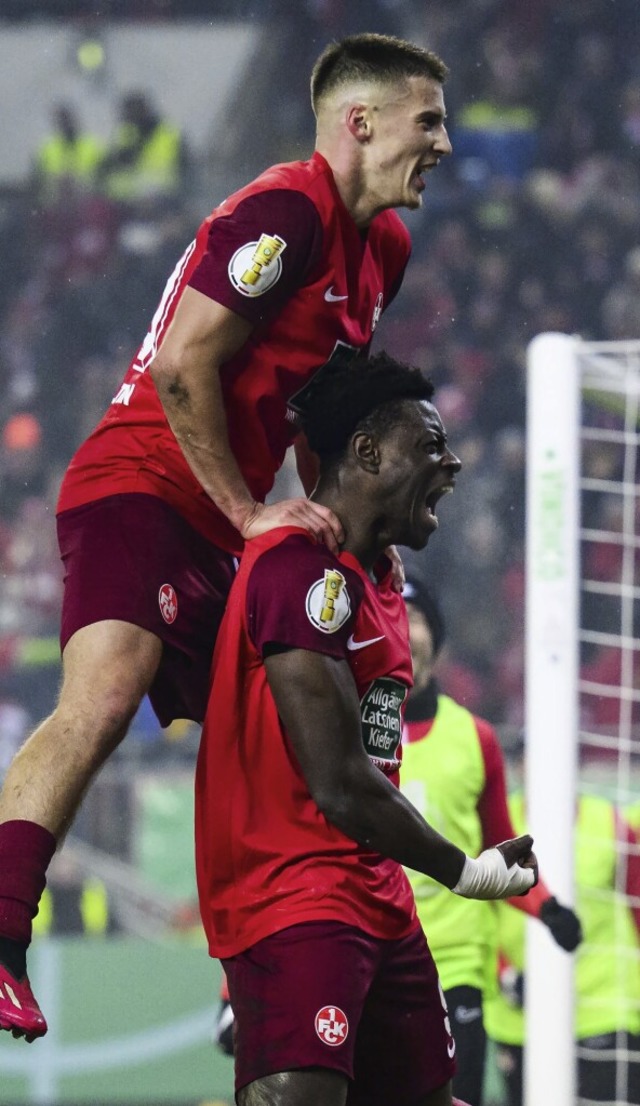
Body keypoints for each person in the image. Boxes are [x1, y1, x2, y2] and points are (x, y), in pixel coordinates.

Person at [0, 32, 454, 1041]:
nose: (446, 143)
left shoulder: (383, 249)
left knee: (297, 722)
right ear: (360, 121)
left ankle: (257, 963)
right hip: (144, 485)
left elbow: (315, 415)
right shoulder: (286, 207)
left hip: (229, 517)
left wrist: (327, 540)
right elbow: (179, 364)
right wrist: (255, 517)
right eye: (428, 120)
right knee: (109, 687)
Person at [195, 350, 538, 1106]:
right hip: (296, 900)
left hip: (380, 901)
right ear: (367, 452)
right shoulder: (298, 573)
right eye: (430, 445)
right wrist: (464, 869)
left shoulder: (380, 581)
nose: (451, 464)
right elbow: (341, 783)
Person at [399, 577, 582, 1106]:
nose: (404, 631)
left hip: (457, 964)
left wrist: (549, 910)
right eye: (392, 616)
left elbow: (507, 853)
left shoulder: (475, 739)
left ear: (437, 637)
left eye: (416, 619)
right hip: (372, 953)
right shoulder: (347, 730)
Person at [485, 782, 640, 1106]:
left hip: (604, 1006)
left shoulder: (610, 822)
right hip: (520, 1014)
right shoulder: (498, 825)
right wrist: (505, 974)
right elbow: (475, 910)